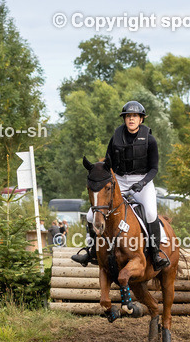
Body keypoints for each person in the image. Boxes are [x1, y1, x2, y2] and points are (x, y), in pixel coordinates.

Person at [71, 100, 168, 270]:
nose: (131, 119)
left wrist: (142, 183)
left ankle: (156, 253)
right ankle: (91, 250)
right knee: (89, 216)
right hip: (120, 181)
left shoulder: (150, 140)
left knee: (151, 213)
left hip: (143, 181)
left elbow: (154, 169)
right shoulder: (116, 138)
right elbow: (108, 163)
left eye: (135, 116)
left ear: (141, 119)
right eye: (128, 116)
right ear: (124, 119)